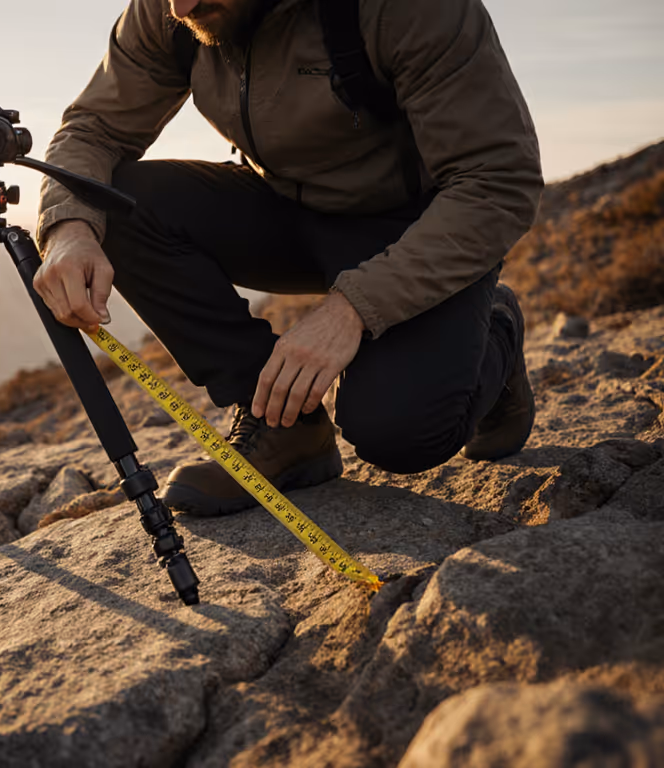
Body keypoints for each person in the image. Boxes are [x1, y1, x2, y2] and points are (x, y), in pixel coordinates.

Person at [33, 0, 543, 516]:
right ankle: (284, 427)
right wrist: (68, 228)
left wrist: (353, 308)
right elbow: (93, 129)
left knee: (398, 433)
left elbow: (497, 182)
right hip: (282, 207)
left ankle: (495, 328)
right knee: (110, 203)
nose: (180, 8)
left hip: (408, 229)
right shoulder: (172, 10)